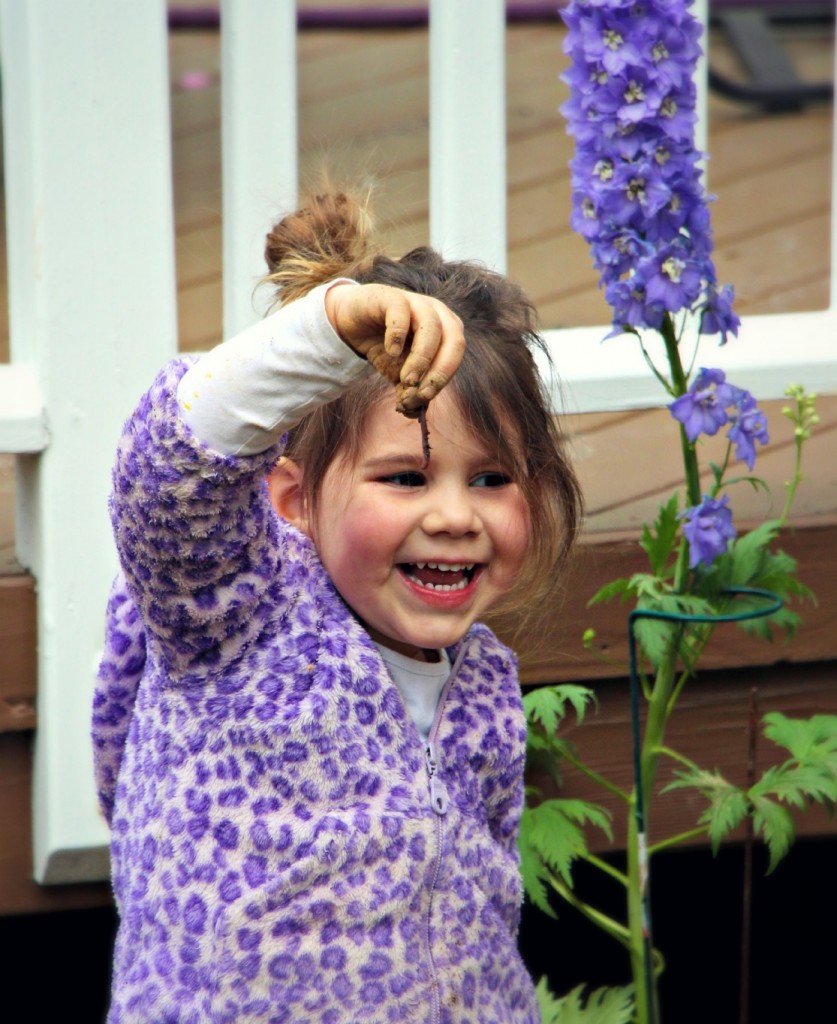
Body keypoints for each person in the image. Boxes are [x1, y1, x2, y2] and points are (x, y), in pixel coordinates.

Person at [93, 191, 582, 1024]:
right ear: (293, 500)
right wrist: (324, 330)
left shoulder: (485, 685)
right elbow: (165, 472)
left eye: (492, 479)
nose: (456, 516)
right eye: (405, 478)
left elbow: (479, 921)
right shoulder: (237, 619)